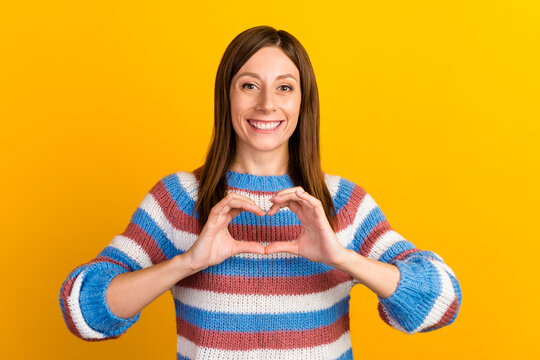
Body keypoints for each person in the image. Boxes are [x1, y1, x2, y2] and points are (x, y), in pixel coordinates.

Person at [59, 25, 462, 359]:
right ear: (226, 96)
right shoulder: (182, 198)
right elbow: (83, 311)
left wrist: (341, 257)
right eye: (249, 85)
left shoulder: (341, 203)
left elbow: (440, 302)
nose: (267, 104)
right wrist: (187, 262)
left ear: (304, 102)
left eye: (285, 88)